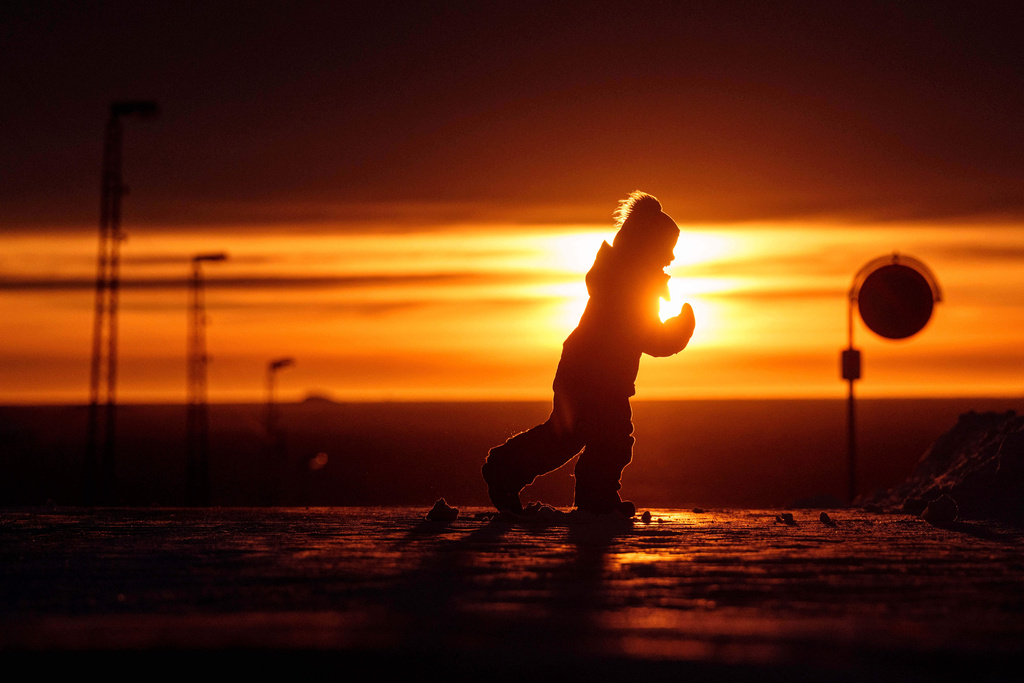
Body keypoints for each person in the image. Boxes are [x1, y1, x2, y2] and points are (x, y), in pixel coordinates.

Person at [482, 191, 695, 517]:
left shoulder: (627, 279)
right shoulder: (626, 284)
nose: (671, 258)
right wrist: (679, 332)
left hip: (589, 374)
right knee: (611, 438)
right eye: (667, 249)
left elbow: (641, 333)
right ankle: (591, 497)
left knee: (570, 436)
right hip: (595, 378)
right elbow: (648, 336)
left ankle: (509, 470)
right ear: (647, 245)